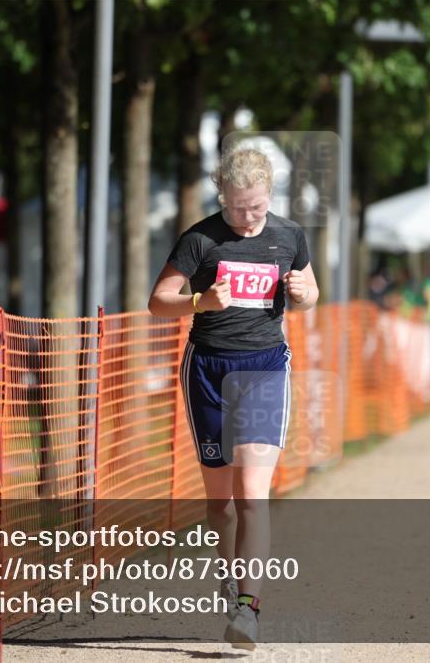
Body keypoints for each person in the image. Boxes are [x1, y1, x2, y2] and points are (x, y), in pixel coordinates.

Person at [147, 147, 318, 650]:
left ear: (270, 197)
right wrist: (201, 301)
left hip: (264, 368)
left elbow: (311, 291)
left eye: (259, 208)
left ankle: (249, 608)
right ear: (224, 196)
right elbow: (158, 302)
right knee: (219, 503)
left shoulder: (289, 236)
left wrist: (304, 293)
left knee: (251, 494)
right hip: (208, 370)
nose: (250, 219)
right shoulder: (200, 239)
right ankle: (229, 579)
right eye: (242, 208)